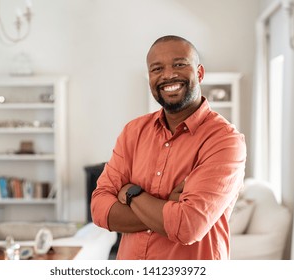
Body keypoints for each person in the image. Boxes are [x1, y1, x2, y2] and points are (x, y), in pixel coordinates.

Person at [91, 35, 246, 260]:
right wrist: (168, 206)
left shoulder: (224, 140)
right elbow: (99, 209)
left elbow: (187, 226)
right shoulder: (133, 132)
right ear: (150, 78)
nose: (168, 75)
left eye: (179, 64)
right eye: (157, 69)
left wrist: (132, 194)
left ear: (199, 73)